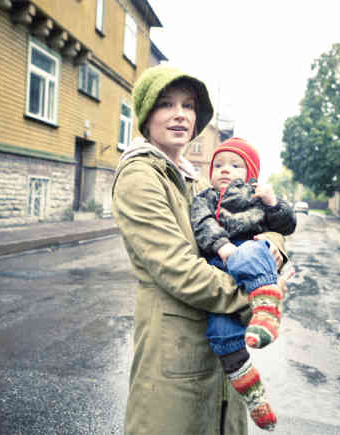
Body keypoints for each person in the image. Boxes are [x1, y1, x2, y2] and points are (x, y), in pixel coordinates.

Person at [111, 64, 290, 435]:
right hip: (174, 346)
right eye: (166, 105)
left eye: (188, 106)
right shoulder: (140, 177)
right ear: (146, 116)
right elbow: (177, 269)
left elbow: (253, 221)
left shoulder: (195, 180)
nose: (180, 115)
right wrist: (254, 297)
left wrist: (274, 245)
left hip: (214, 347)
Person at [190, 137, 297, 431]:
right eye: (219, 165)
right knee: (221, 333)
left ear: (250, 174)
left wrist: (272, 203)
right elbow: (202, 223)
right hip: (221, 261)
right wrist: (223, 247)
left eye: (235, 165)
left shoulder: (257, 198)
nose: (225, 170)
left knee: (249, 252)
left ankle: (267, 305)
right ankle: (253, 394)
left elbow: (285, 226)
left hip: (251, 254)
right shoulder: (207, 197)